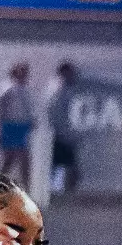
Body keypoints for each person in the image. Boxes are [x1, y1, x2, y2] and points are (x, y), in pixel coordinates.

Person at [44, 62, 81, 194]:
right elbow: (55, 112)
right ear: (64, 73)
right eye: (72, 73)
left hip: (59, 133)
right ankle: (65, 194)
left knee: (59, 165)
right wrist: (64, 132)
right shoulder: (59, 89)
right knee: (69, 167)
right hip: (61, 135)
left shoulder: (56, 87)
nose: (74, 76)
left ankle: (58, 191)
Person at [0, 64, 33, 186]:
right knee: (10, 159)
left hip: (23, 126)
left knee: (24, 159)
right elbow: (1, 111)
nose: (24, 74)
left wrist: (31, 121)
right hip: (10, 126)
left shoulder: (26, 89)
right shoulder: (7, 89)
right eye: (21, 71)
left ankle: (26, 187)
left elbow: (28, 109)